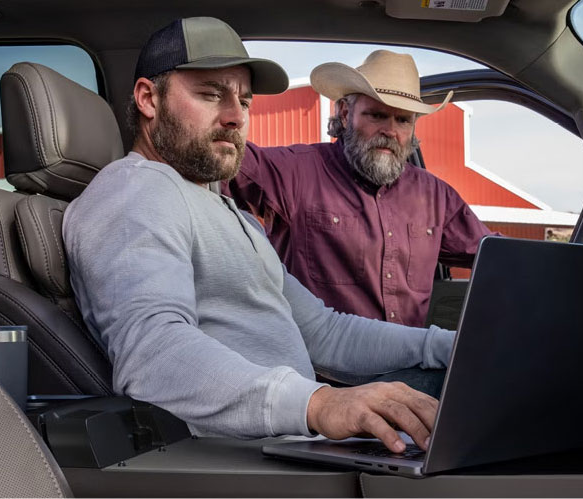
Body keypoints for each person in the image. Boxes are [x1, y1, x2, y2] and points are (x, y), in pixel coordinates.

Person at [64, 17, 454, 454]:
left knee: (475, 385)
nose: (235, 117)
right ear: (148, 99)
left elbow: (325, 333)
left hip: (294, 443)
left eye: (244, 101)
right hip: (242, 464)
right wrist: (319, 404)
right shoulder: (134, 190)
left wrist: (447, 345)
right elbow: (152, 355)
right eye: (211, 94)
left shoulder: (231, 213)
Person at [223, 50, 494, 328]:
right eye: (377, 115)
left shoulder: (436, 197)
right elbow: (220, 160)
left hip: (410, 365)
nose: (390, 131)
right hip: (320, 368)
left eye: (403, 120)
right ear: (344, 113)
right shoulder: (296, 172)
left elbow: (498, 257)